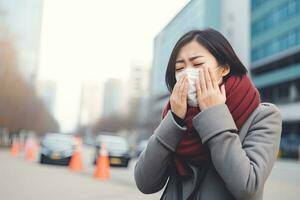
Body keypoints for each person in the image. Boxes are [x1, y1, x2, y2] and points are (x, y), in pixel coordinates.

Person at [134, 28, 282, 200]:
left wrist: (214, 114)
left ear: (224, 69)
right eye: (180, 68)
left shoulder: (263, 116)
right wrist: (173, 119)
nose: (187, 74)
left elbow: (247, 188)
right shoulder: (174, 118)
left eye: (197, 65)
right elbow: (145, 182)